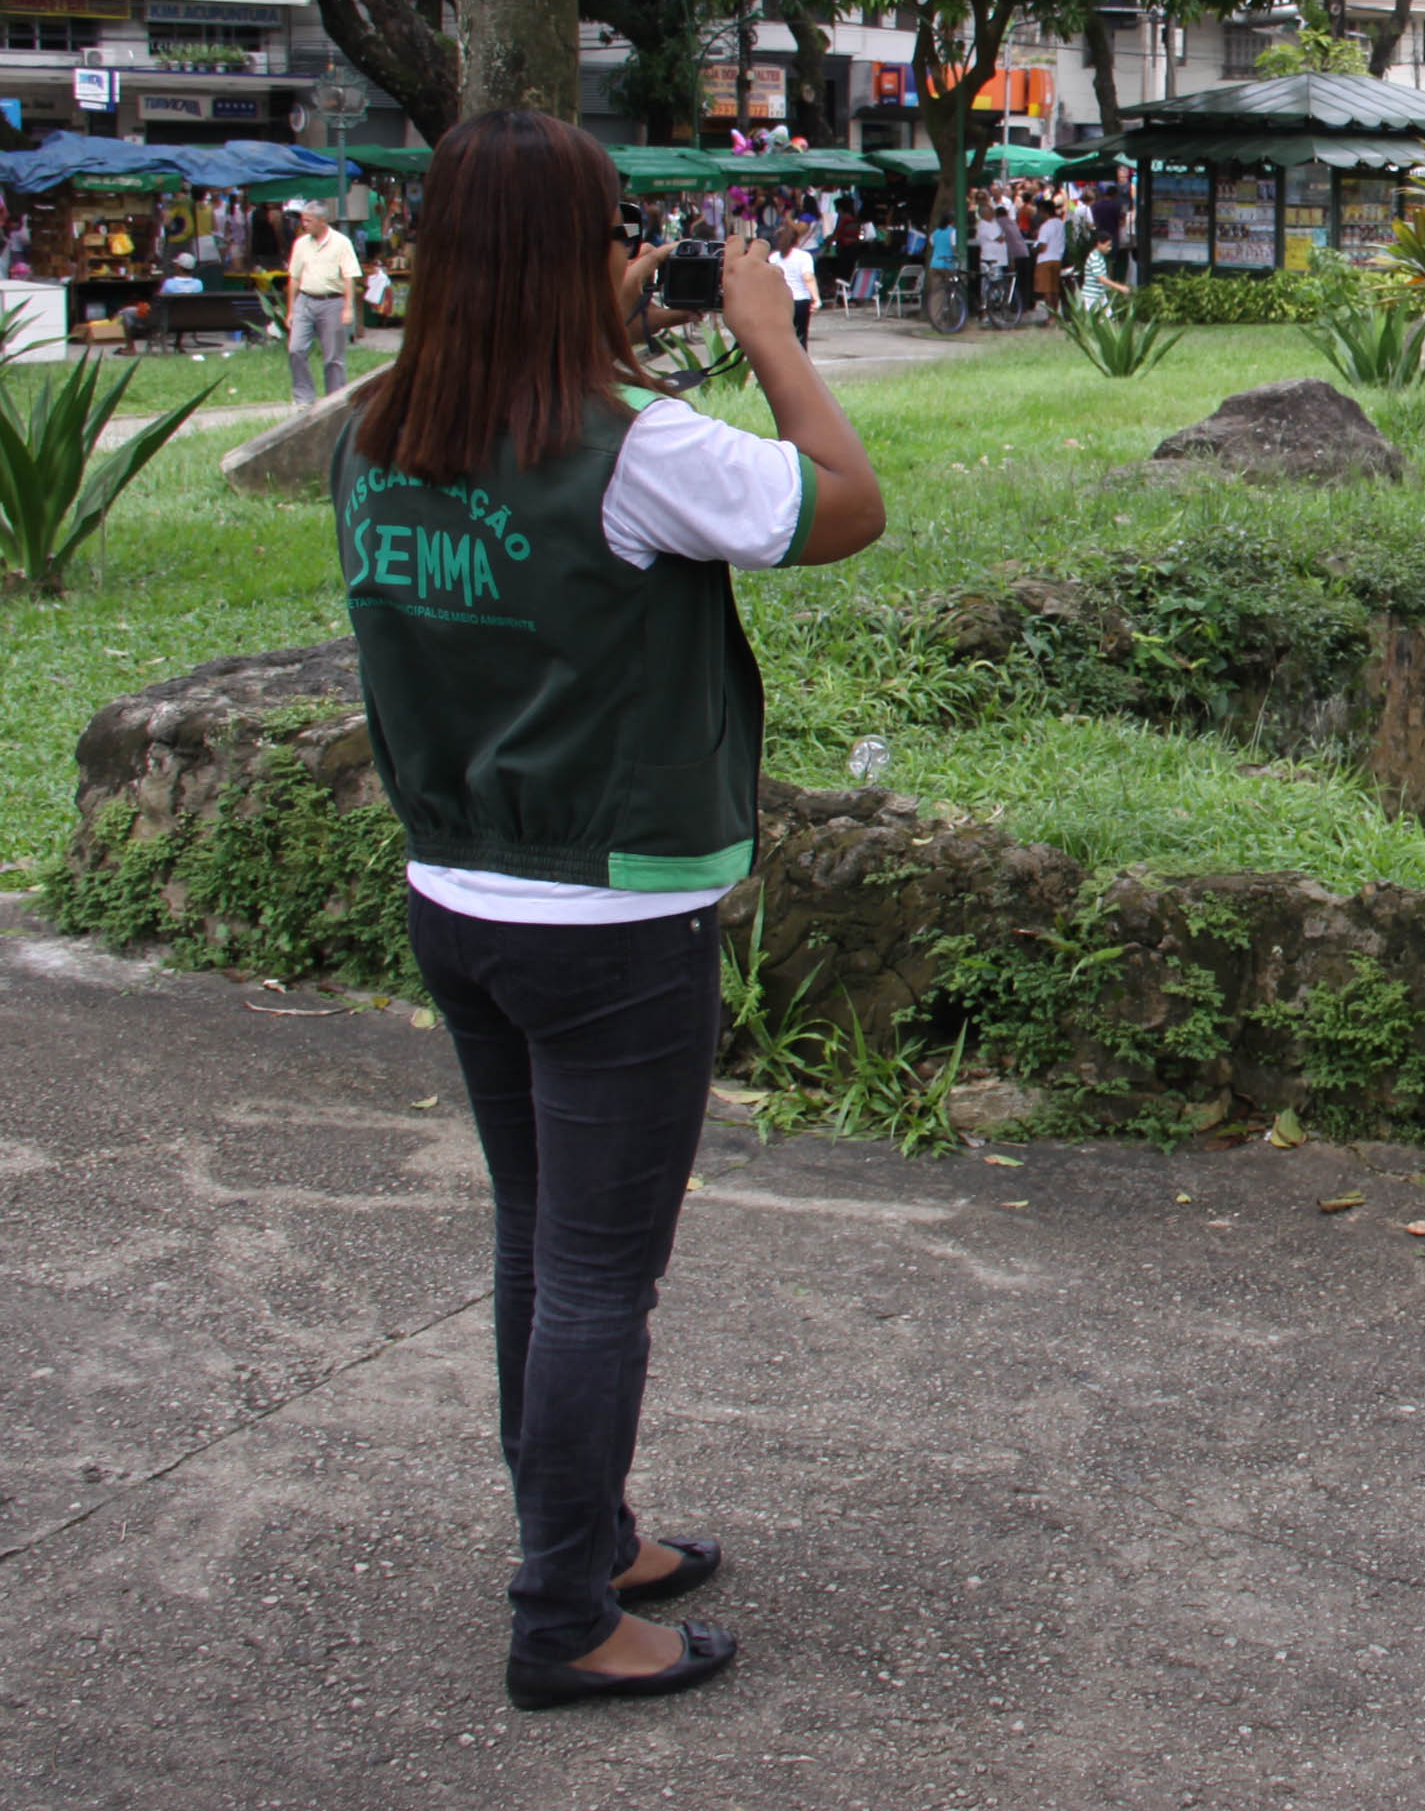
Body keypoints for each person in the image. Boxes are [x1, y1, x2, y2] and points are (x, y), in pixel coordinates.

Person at [335, 110, 884, 1713]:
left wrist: (620, 336)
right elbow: (841, 504)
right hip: (612, 923)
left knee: (539, 1243)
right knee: (595, 1277)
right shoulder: (635, 447)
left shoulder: (376, 429)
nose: (636, 259)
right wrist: (772, 337)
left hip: (460, 896)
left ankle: (585, 1532)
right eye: (613, 235)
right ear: (567, 260)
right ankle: (563, 1615)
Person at [285, 200, 361, 402]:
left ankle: (334, 399)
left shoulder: (341, 242)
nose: (304, 225)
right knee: (296, 349)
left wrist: (348, 308)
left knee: (333, 358)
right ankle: (303, 398)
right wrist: (291, 310)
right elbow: (293, 277)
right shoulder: (301, 244)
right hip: (306, 300)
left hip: (332, 302)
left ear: (322, 221)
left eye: (308, 221)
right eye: (303, 220)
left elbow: (349, 277)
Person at [769, 217, 819, 348]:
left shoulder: (773, 258)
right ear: (797, 240)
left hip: (780, 301)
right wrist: (816, 297)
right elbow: (808, 277)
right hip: (800, 299)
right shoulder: (804, 256)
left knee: (781, 336)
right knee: (800, 336)